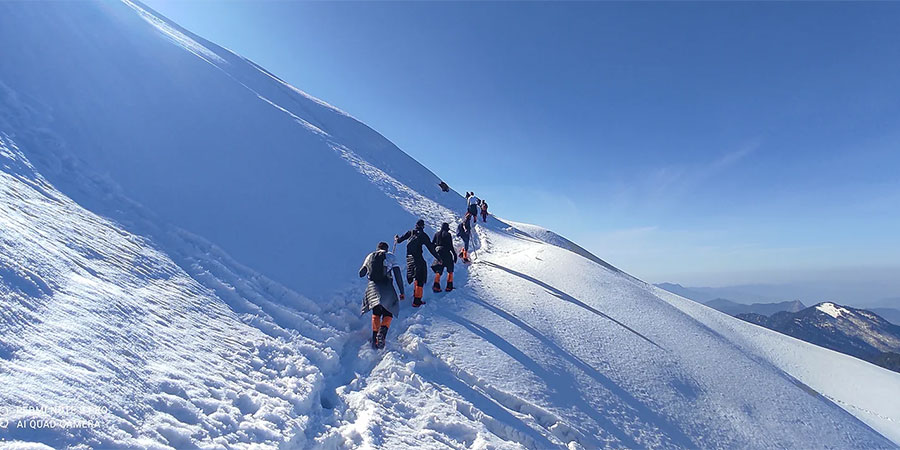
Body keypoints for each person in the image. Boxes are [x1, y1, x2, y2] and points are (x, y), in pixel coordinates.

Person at [359, 242, 405, 349]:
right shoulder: (390, 256)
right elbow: (398, 275)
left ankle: (375, 338)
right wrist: (401, 291)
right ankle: (382, 334)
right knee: (388, 311)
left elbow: (361, 273)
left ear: (377, 248)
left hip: (372, 288)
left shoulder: (370, 256)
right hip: (386, 286)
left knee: (376, 312)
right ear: (387, 249)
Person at [396, 219, 439, 307]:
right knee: (420, 277)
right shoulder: (423, 235)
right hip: (418, 258)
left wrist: (396, 238)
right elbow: (431, 249)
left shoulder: (410, 232)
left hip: (409, 259)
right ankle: (417, 300)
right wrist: (439, 258)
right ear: (423, 226)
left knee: (414, 275)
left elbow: (399, 240)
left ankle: (415, 294)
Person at [431, 222, 458, 292]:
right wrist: (454, 255)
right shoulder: (448, 234)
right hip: (446, 253)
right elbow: (450, 246)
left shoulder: (436, 234)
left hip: (438, 254)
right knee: (450, 269)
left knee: (439, 270)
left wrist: (435, 253)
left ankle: (436, 285)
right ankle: (449, 286)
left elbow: (432, 245)